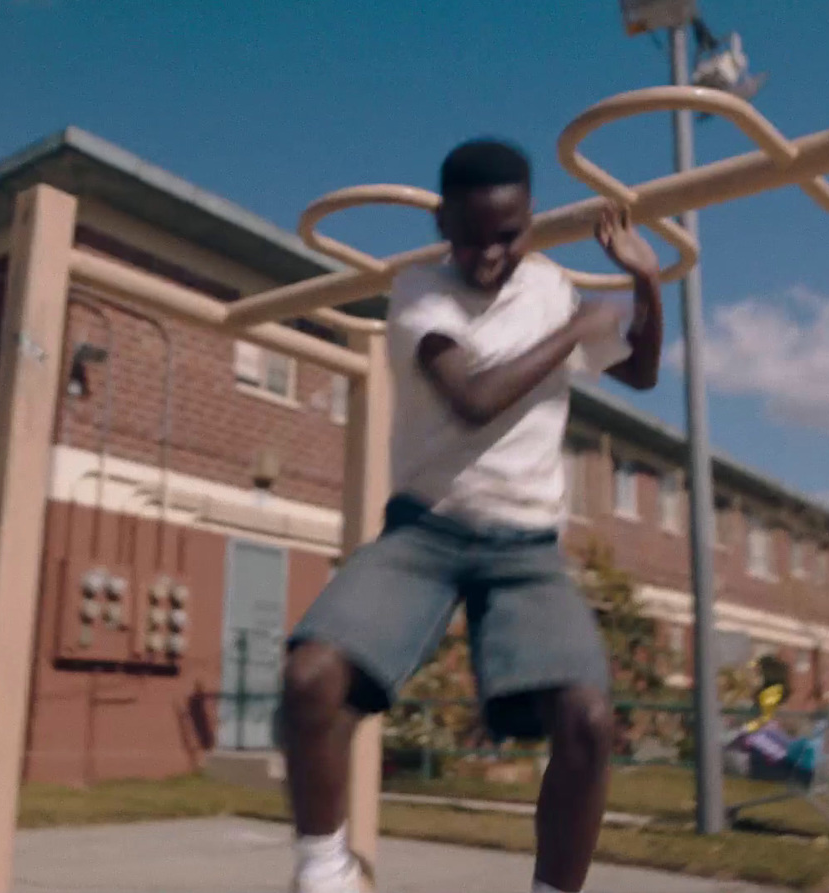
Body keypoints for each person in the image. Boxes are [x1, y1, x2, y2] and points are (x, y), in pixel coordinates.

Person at [280, 139, 663, 893]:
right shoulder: (419, 290)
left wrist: (646, 282)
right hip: (425, 531)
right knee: (310, 677)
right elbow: (473, 399)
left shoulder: (553, 288)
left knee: (588, 720)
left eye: (510, 234)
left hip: (525, 547)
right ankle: (326, 869)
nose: (491, 253)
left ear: (531, 221)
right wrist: (574, 332)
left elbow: (642, 374)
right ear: (441, 220)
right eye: (473, 235)